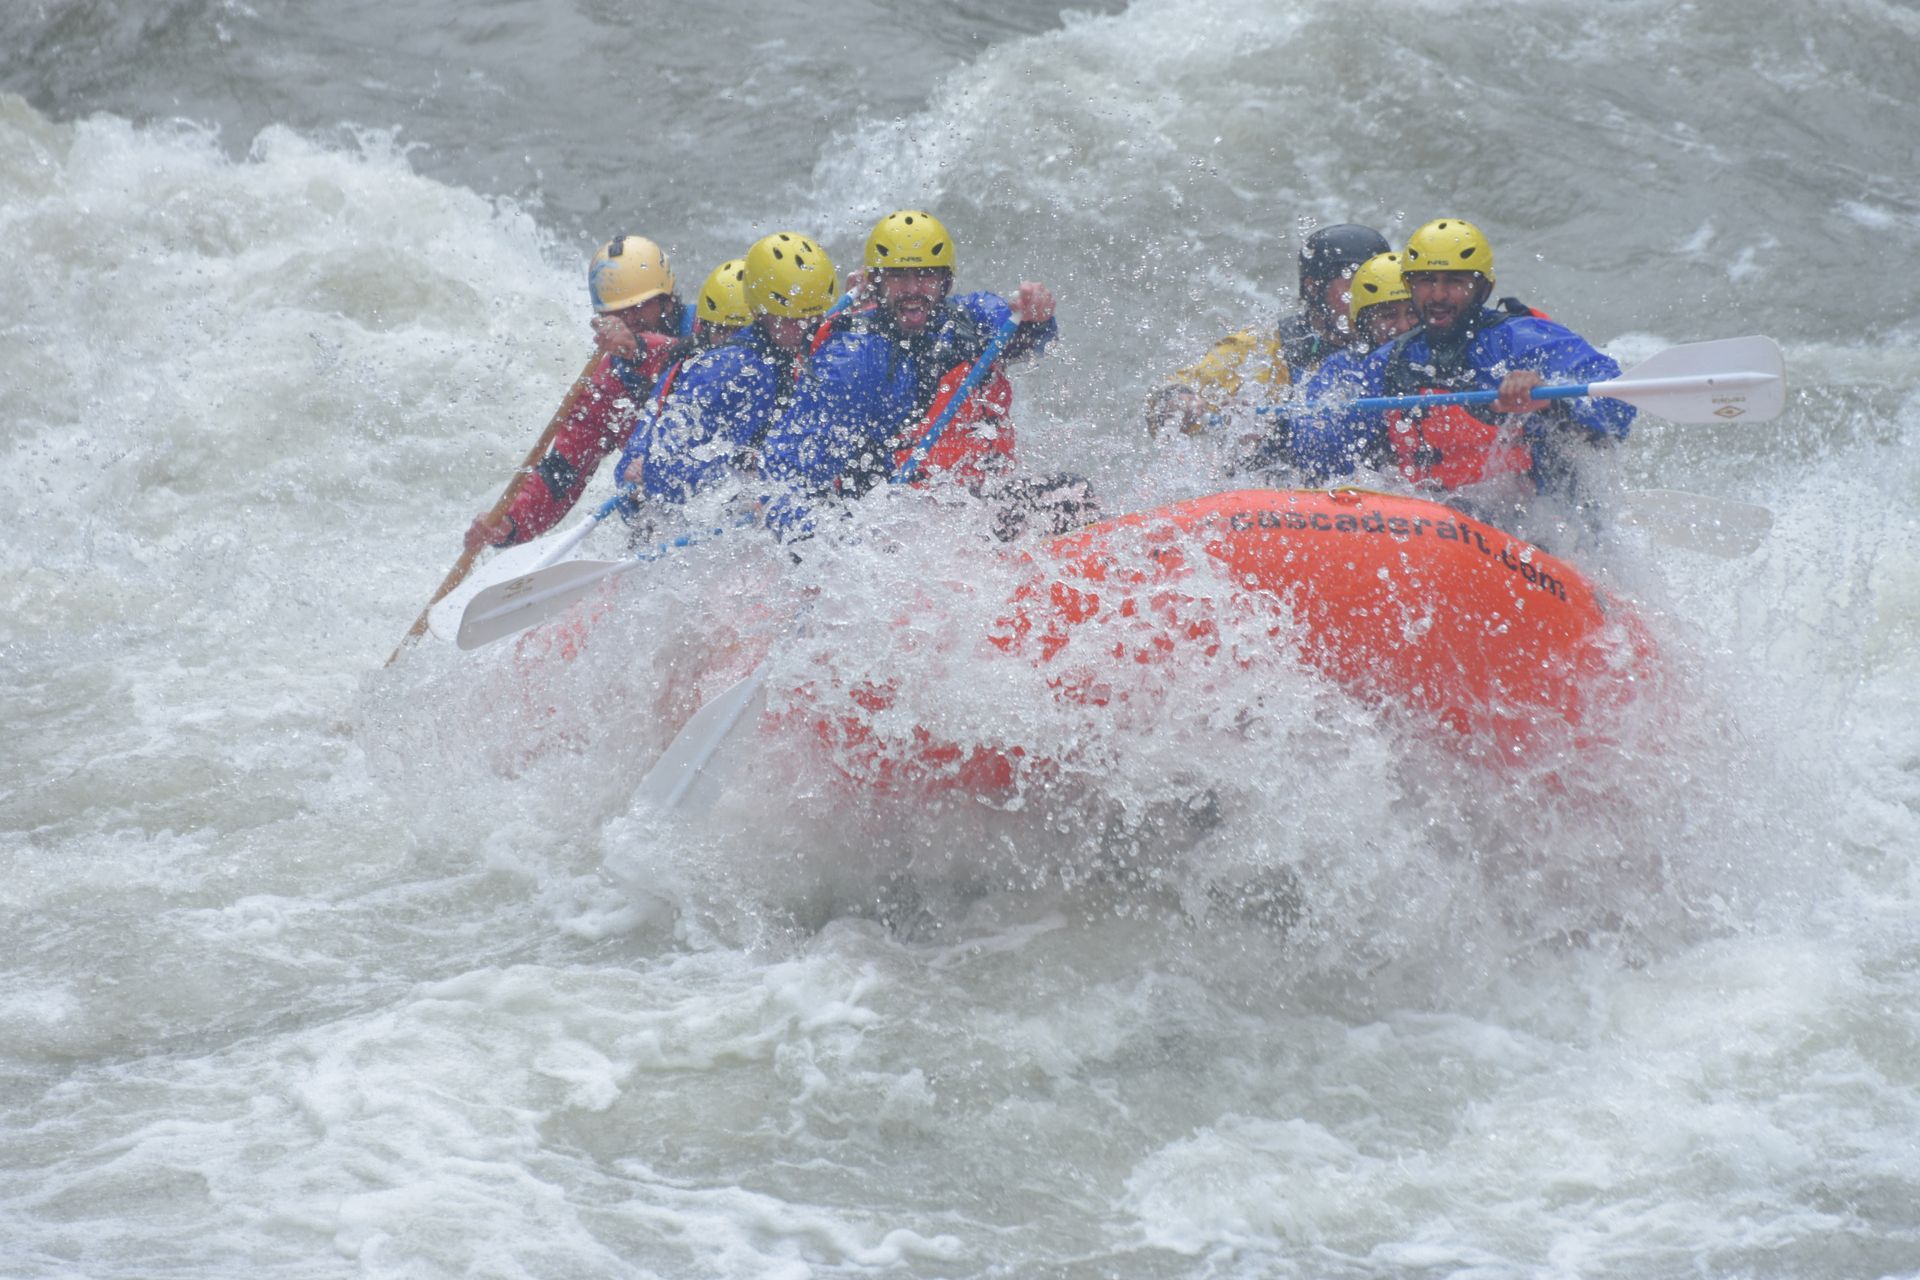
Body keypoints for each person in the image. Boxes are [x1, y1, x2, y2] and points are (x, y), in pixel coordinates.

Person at [756, 209, 1065, 537]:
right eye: (899, 277)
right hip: (893, 526)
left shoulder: (972, 316)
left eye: (926, 275)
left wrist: (1037, 317)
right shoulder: (850, 360)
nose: (913, 288)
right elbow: (787, 469)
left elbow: (1026, 340)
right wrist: (818, 550)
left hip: (971, 507)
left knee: (1070, 496)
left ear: (944, 282)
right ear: (877, 283)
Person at [1288, 218, 1632, 513]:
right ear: (1410, 286)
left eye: (1454, 282)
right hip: (1440, 525)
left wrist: (1551, 398)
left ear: (1483, 289)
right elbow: (1319, 448)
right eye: (1426, 282)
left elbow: (1618, 401)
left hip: (1542, 527)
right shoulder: (1390, 362)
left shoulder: (1522, 339)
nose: (1438, 296)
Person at [464, 234, 692, 552]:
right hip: (665, 518)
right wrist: (510, 523)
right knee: (633, 482)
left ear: (667, 299)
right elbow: (561, 473)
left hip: (737, 485)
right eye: (617, 313)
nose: (628, 321)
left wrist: (639, 349)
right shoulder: (607, 386)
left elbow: (703, 365)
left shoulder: (709, 327)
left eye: (639, 307)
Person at [618, 231, 838, 506]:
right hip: (686, 522)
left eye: (815, 316)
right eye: (795, 319)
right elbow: (665, 476)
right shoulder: (732, 371)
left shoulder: (795, 353)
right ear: (761, 311)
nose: (809, 328)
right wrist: (745, 496)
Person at [1146, 223, 1390, 437]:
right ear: (1314, 288)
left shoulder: (1400, 339)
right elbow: (1164, 399)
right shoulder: (1263, 348)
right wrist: (1179, 403)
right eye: (1355, 283)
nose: (1368, 298)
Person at [1239, 250, 1418, 476]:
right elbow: (1315, 446)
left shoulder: (1443, 358)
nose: (1403, 327)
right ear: (1364, 322)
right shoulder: (1341, 369)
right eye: (1388, 315)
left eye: (1412, 313)